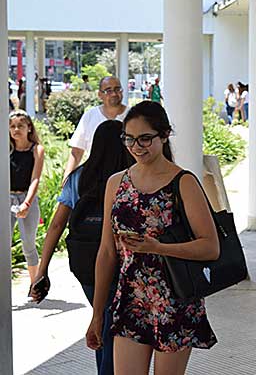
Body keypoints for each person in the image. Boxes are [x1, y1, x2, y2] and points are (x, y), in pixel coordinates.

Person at [86, 101, 218, 373]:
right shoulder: (117, 182)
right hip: (130, 300)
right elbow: (107, 252)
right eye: (129, 139)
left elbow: (210, 247)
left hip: (175, 300)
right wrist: (98, 313)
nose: (137, 146)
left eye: (145, 138)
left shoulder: (183, 182)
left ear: (165, 135)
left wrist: (158, 247)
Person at [31, 120, 134, 375]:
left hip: (85, 265)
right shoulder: (131, 176)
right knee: (112, 326)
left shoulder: (78, 178)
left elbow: (55, 226)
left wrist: (42, 271)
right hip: (125, 264)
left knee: (104, 320)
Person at [64, 76, 129, 181]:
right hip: (94, 179)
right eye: (108, 90)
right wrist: (67, 177)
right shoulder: (90, 116)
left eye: (117, 89)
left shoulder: (133, 117)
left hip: (126, 179)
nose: (114, 94)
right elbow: (76, 152)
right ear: (100, 95)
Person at [9, 110, 45, 285]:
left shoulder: (36, 150)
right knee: (4, 243)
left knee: (28, 244)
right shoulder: (6, 149)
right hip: (7, 198)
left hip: (26, 198)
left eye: (20, 126)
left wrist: (27, 203)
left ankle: (34, 284)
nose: (16, 129)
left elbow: (35, 179)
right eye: (12, 126)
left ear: (29, 127)